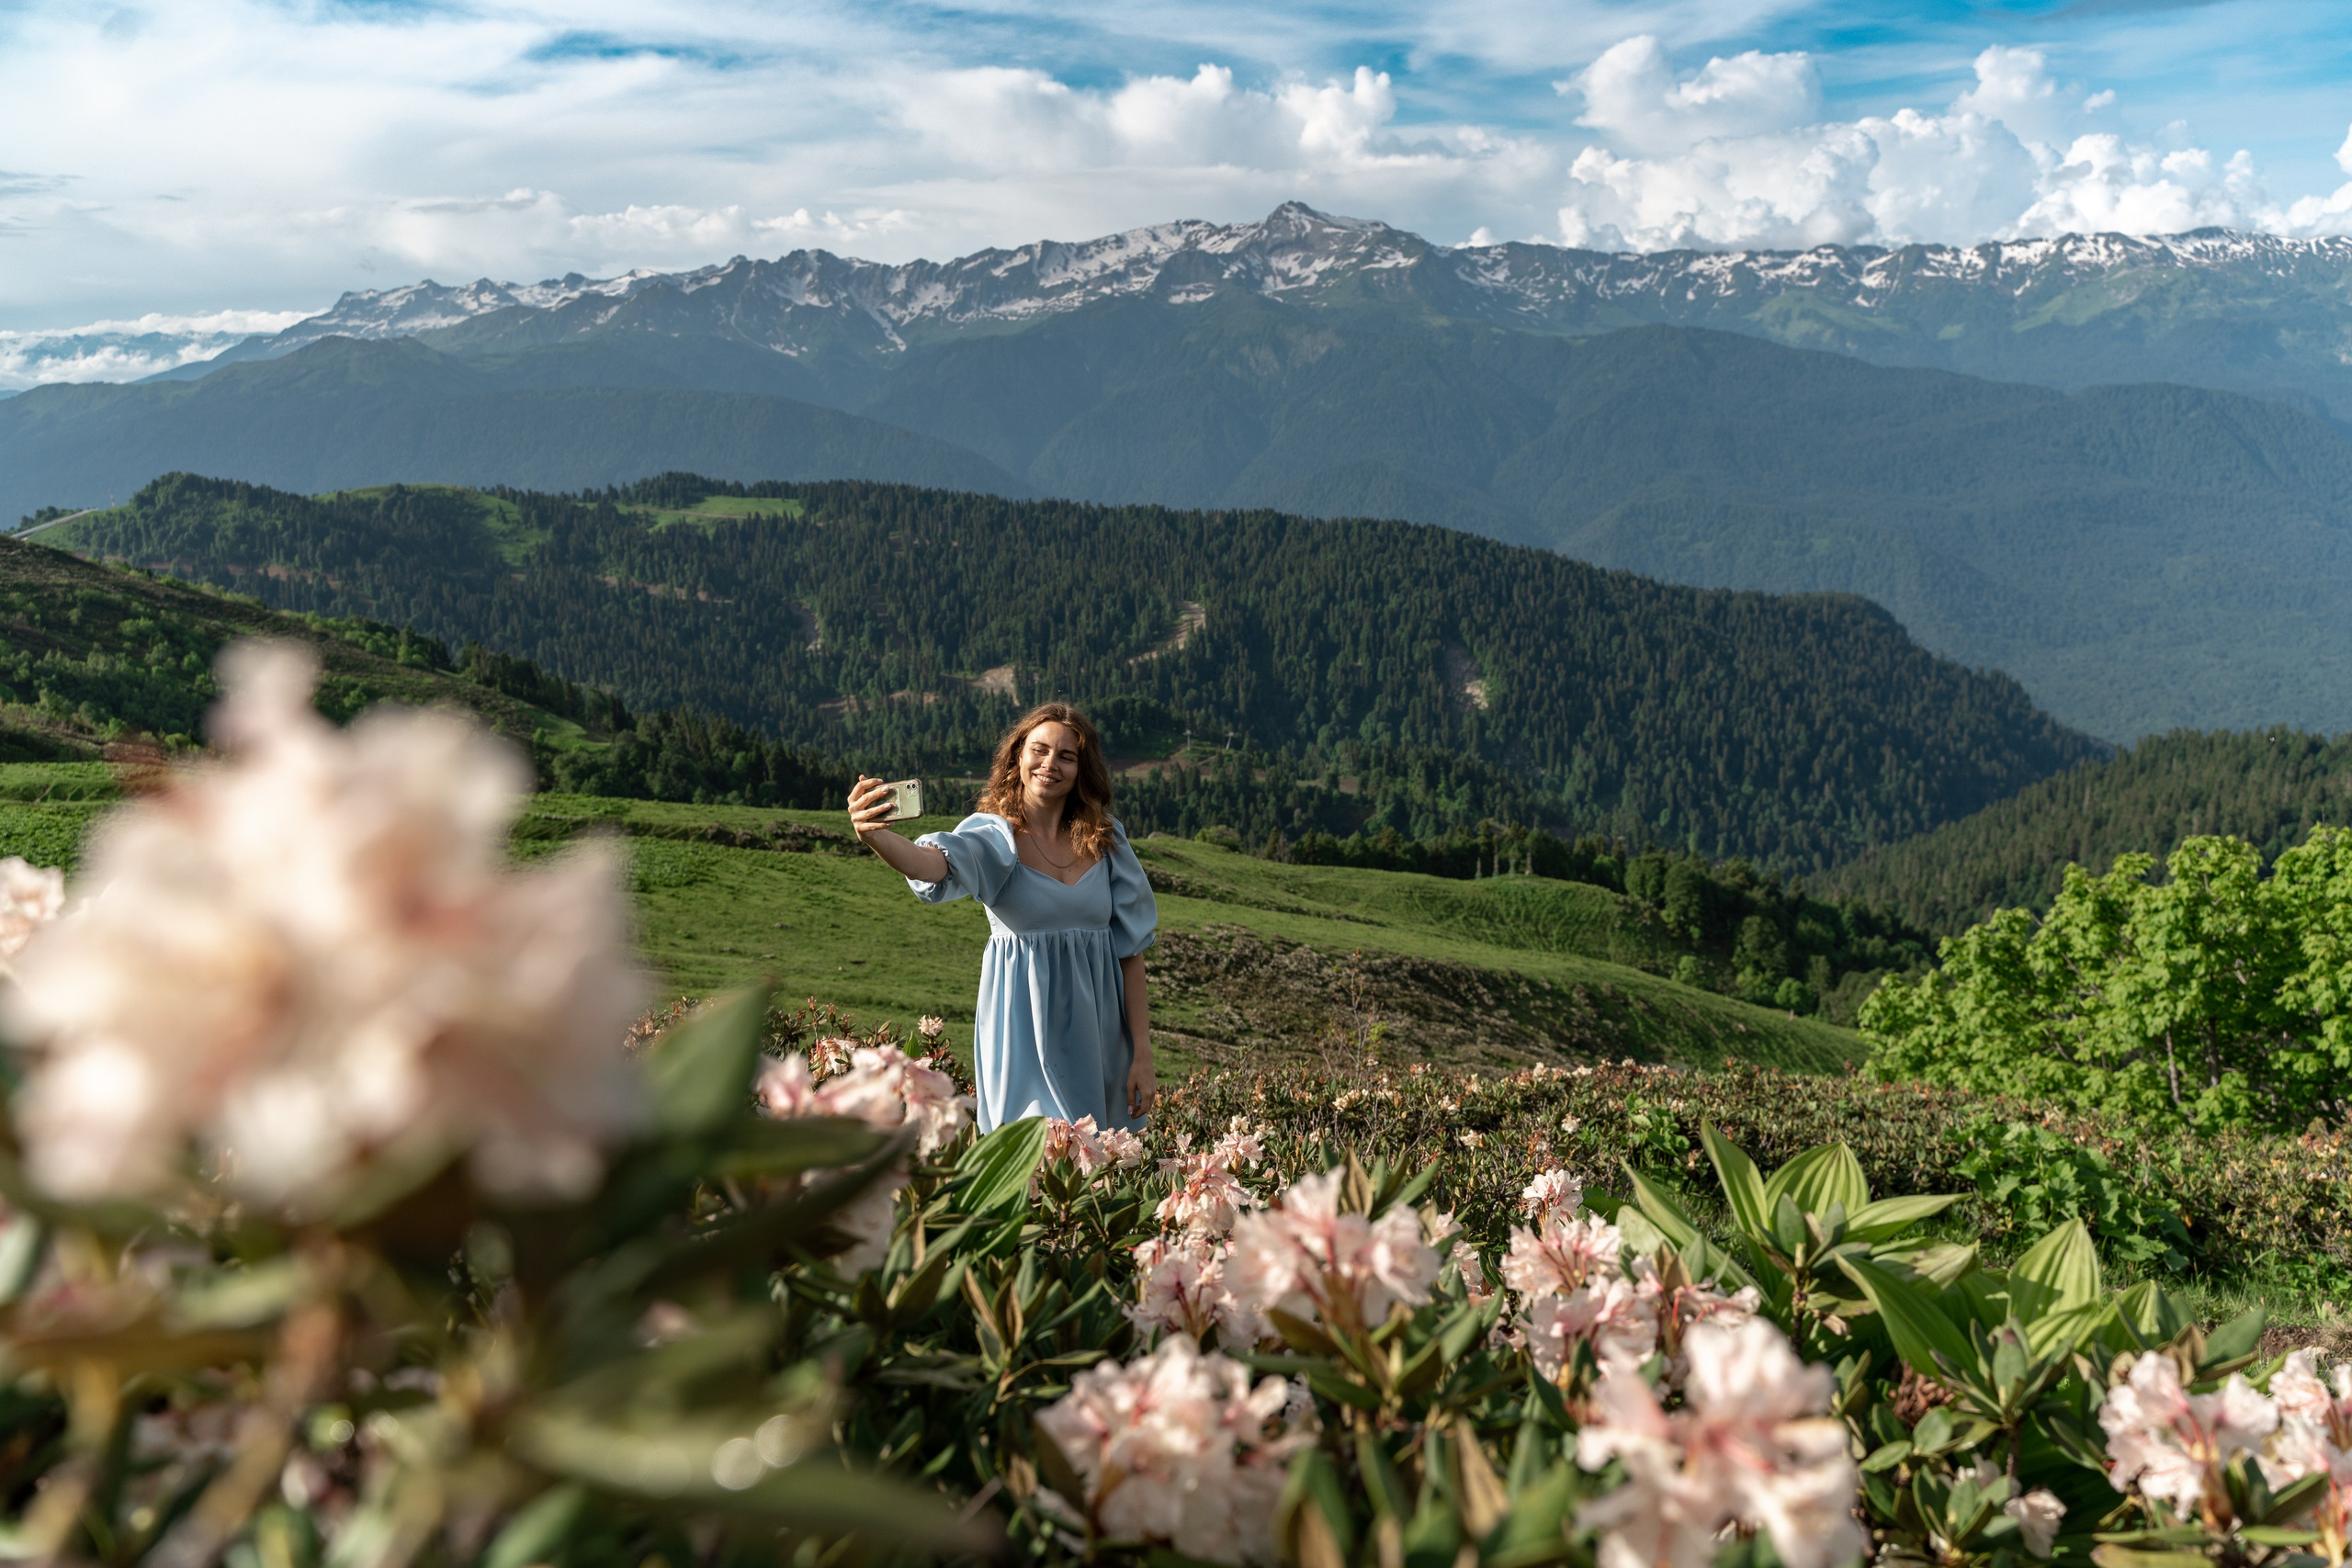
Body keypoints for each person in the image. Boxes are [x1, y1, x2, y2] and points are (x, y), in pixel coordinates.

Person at [847, 703, 1158, 1133]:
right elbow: (931, 864)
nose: (1050, 764)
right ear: (1018, 757)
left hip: (1102, 1041)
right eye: (1040, 750)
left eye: (1066, 756)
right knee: (1034, 1158)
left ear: (1081, 769)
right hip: (1024, 1038)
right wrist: (875, 835)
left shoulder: (1107, 840)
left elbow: (1131, 952)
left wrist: (1142, 1053)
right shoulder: (995, 836)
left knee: (1094, 1169)